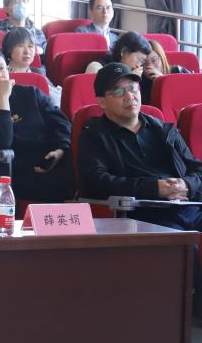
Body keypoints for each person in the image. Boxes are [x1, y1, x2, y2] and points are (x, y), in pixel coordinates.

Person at [78, 62, 202, 239]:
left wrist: (187, 185)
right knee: (183, 246)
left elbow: (198, 170)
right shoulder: (94, 134)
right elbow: (95, 182)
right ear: (102, 102)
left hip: (189, 208)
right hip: (143, 217)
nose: (129, 96)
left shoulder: (163, 130)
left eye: (133, 88)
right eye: (118, 91)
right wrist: (155, 188)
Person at [0, 46, 73, 202]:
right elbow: (2, 143)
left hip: (51, 164)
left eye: (2, 68)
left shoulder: (31, 94)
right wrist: (3, 99)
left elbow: (62, 124)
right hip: (12, 177)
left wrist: (61, 149)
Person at [2, 26, 61, 107]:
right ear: (9, 49)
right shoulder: (1, 74)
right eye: (21, 46)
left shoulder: (39, 72)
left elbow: (56, 101)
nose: (27, 51)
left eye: (30, 46)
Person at [141, 39, 193, 105]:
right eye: (144, 62)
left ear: (162, 58)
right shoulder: (139, 80)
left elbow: (191, 95)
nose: (149, 66)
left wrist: (162, 80)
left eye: (154, 60)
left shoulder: (178, 71)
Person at [86, 31, 150, 75]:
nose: (138, 65)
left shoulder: (135, 71)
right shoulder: (96, 67)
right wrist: (131, 78)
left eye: (142, 62)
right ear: (124, 52)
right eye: (139, 59)